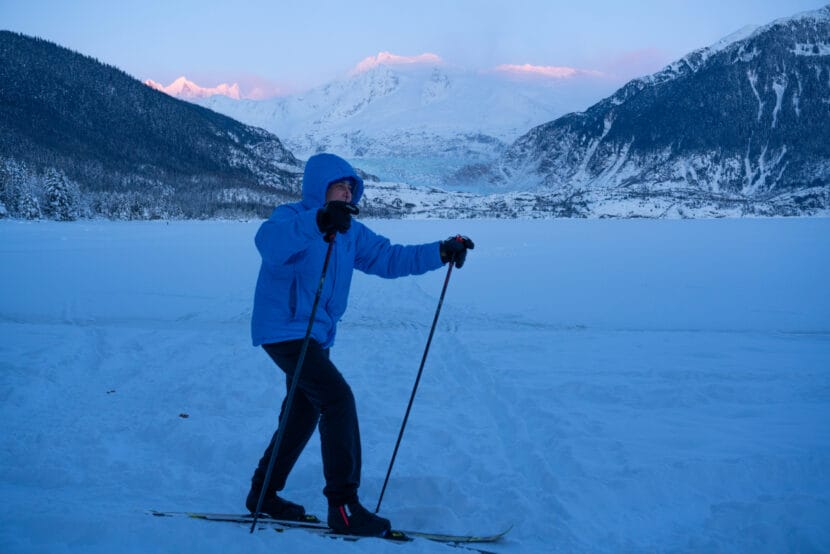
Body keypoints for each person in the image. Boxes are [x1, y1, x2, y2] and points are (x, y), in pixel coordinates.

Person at [246, 153, 474, 536]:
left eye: (352, 185)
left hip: (314, 335)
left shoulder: (351, 232)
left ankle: (263, 495)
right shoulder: (290, 217)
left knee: (302, 412)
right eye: (340, 183)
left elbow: (390, 258)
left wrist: (440, 251)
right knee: (337, 399)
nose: (348, 189)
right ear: (320, 187)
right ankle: (344, 507)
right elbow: (270, 245)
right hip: (284, 329)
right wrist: (318, 221)